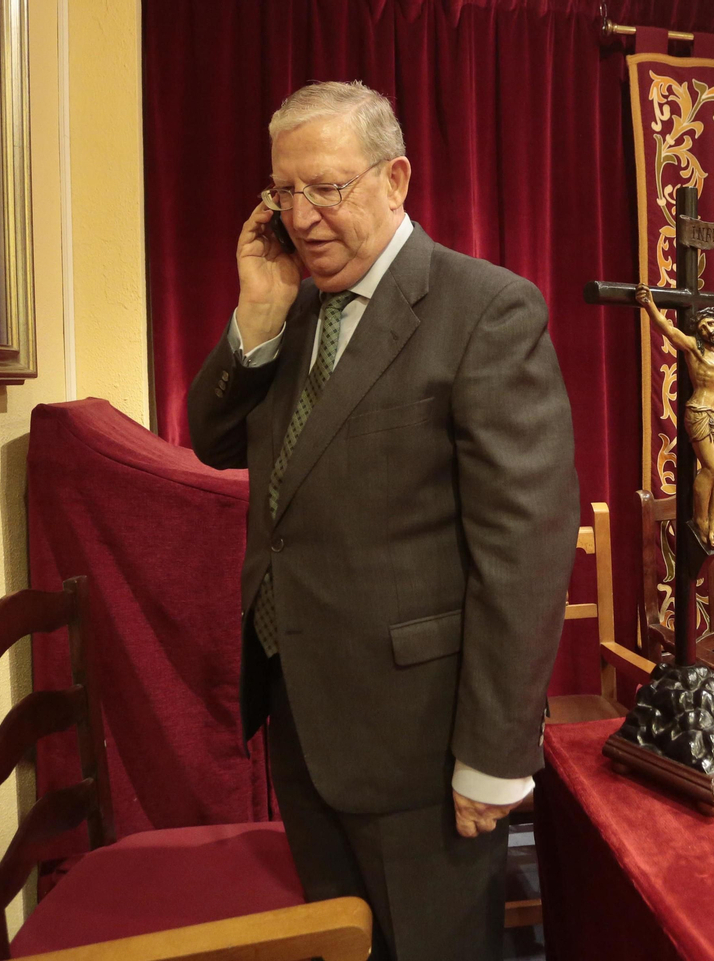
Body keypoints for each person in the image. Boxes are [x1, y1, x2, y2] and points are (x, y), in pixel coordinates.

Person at [186, 81, 578, 961]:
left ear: (395, 179)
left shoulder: (485, 310)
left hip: (422, 741)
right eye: (283, 192)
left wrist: (493, 752)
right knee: (346, 946)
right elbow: (212, 439)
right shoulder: (292, 309)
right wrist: (253, 318)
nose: (303, 215)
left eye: (326, 187)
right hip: (306, 717)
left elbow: (524, 551)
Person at [634, 286, 714, 547]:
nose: (708, 329)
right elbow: (668, 330)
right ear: (698, 331)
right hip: (699, 412)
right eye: (703, 326)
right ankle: (701, 520)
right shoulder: (694, 348)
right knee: (710, 468)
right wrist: (649, 305)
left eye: (711, 323)